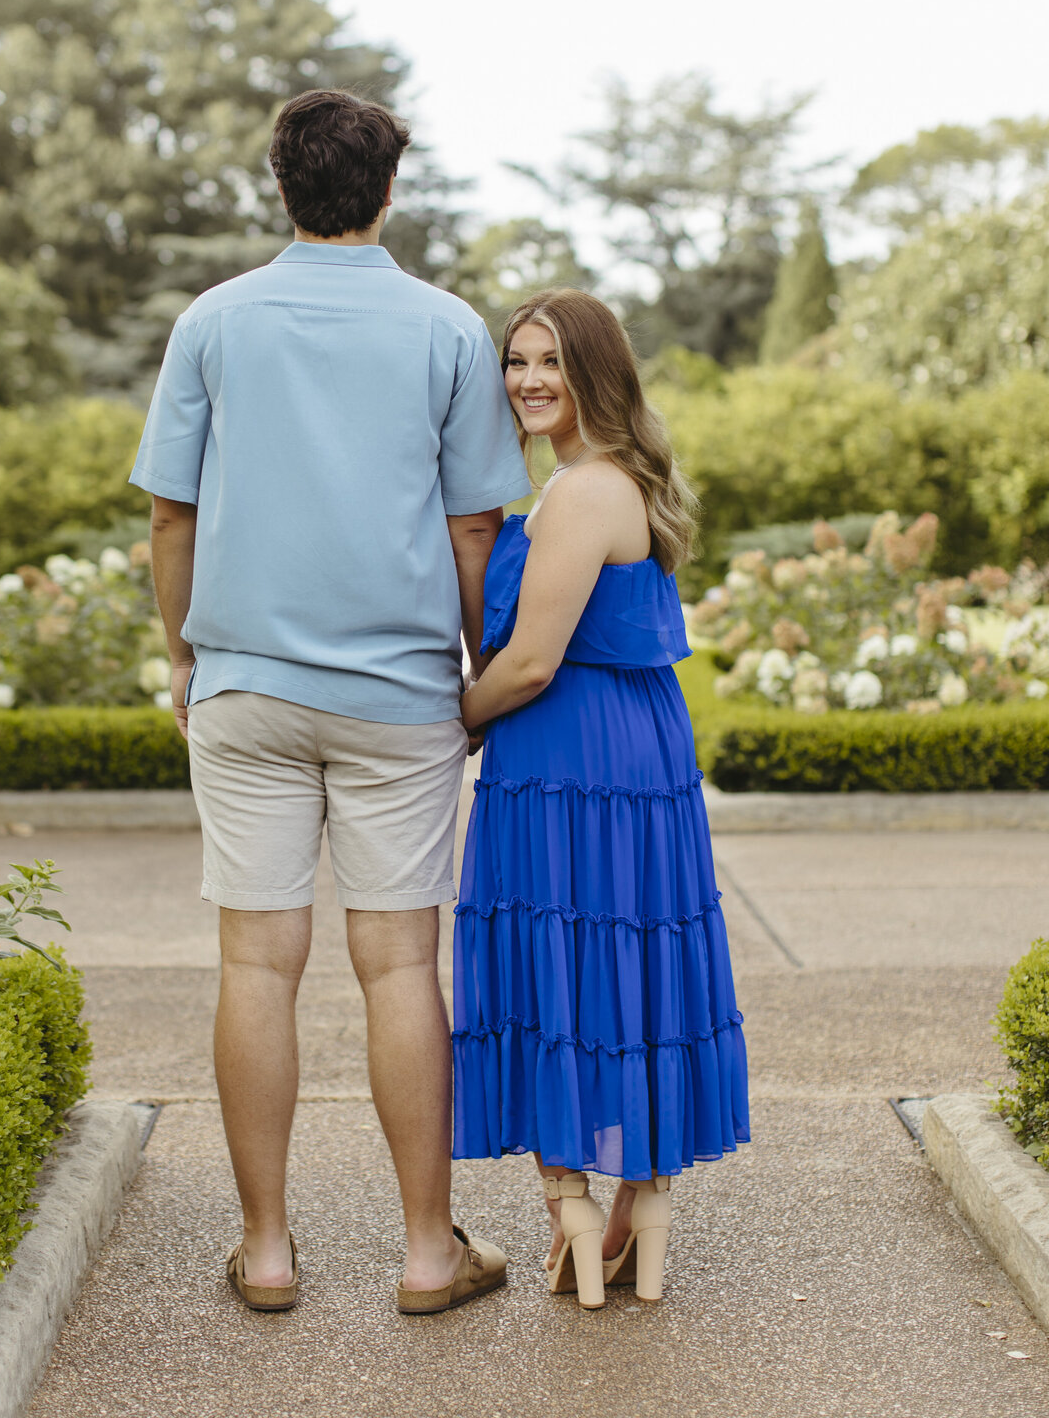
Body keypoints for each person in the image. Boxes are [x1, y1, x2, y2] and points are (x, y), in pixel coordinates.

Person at [130, 89, 528, 1314]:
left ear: (280, 183)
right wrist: (470, 663)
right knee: (401, 963)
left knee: (257, 962)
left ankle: (266, 1254)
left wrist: (187, 658)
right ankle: (424, 1254)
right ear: (391, 188)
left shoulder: (214, 322)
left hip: (245, 685)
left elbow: (167, 514)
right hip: (399, 694)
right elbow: (474, 522)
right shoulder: (448, 328)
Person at [452, 288, 750, 1309]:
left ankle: (571, 1202)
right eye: (516, 361)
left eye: (552, 362)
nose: (529, 381)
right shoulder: (623, 482)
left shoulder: (580, 492)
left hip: (569, 757)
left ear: (597, 373)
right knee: (629, 958)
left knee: (560, 963)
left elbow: (531, 662)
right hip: (639, 754)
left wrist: (457, 712)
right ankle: (640, 1209)